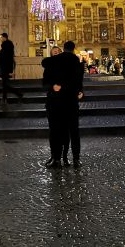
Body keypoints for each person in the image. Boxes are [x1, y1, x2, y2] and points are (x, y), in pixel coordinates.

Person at [47, 40, 84, 168]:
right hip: (72, 101)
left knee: (59, 131)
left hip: (59, 102)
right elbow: (79, 81)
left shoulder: (57, 61)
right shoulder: (78, 62)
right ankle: (76, 159)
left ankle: (57, 158)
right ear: (74, 49)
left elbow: (44, 63)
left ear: (63, 49)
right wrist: (80, 92)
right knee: (74, 132)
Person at [41, 46, 67, 167]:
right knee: (53, 131)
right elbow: (44, 84)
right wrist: (52, 87)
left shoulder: (67, 68)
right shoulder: (48, 68)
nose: (56, 54)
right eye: (54, 53)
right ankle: (54, 157)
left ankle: (62, 157)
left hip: (64, 102)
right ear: (51, 55)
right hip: (52, 102)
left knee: (62, 131)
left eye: (58, 52)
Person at [0, 33, 23, 104]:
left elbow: (7, 59)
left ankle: (17, 94)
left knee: (4, 85)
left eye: (1, 37)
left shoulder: (6, 47)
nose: (0, 39)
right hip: (5, 68)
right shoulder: (6, 47)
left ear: (5, 38)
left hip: (5, 68)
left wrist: (7, 69)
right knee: (4, 85)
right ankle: (5, 99)